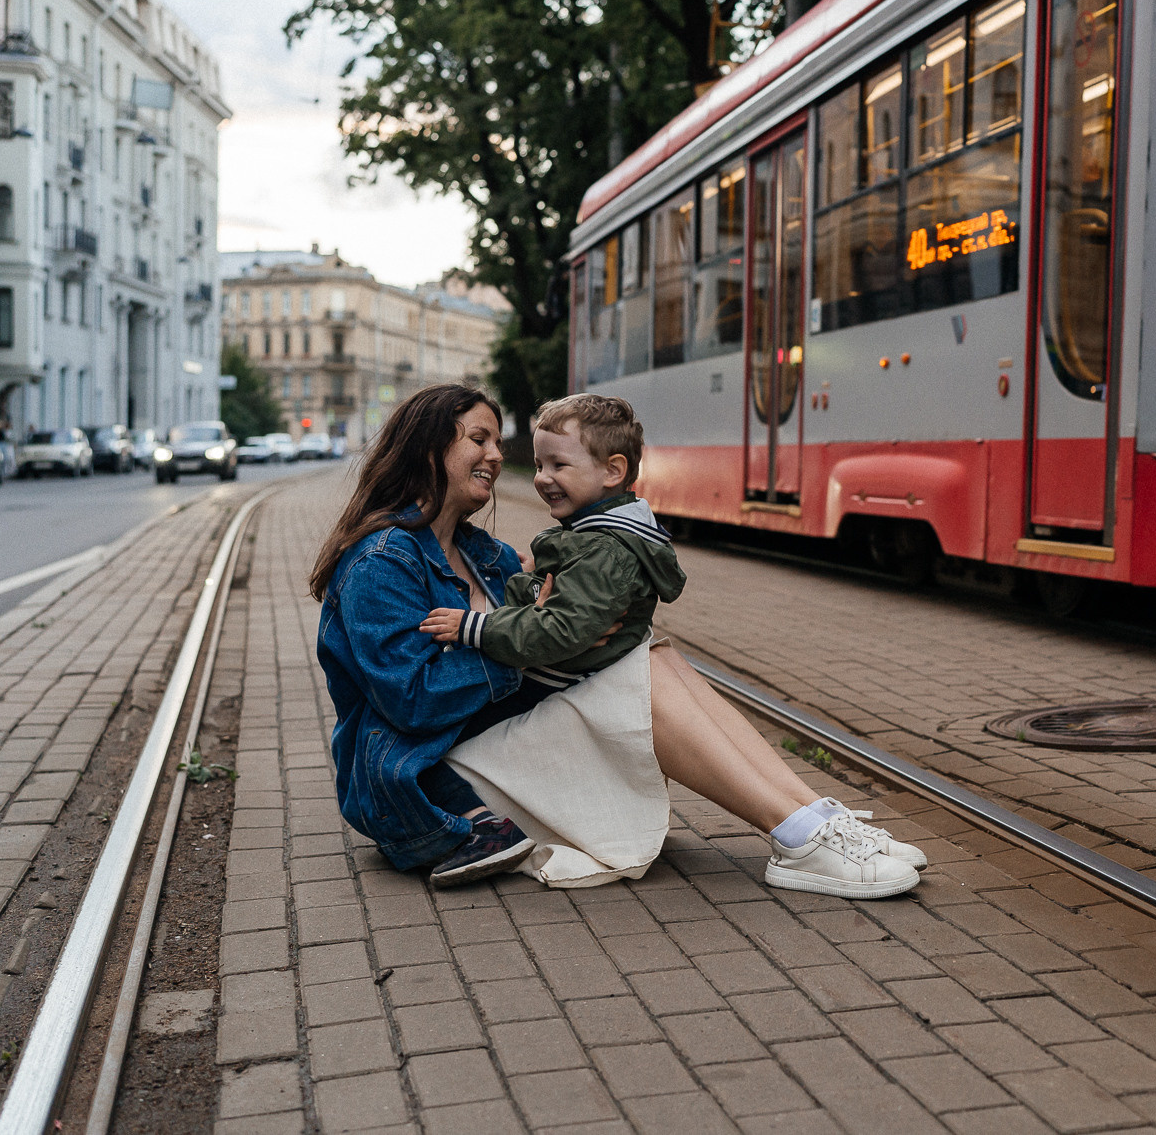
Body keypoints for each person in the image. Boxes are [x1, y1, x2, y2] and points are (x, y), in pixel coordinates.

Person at [309, 383, 922, 899]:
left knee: (655, 654)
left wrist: (546, 633)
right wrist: (529, 649)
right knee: (636, 670)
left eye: (498, 440)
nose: (498, 455)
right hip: (436, 780)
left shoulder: (483, 553)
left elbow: (552, 617)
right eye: (479, 439)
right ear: (427, 447)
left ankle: (811, 817)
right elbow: (411, 701)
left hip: (491, 743)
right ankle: (794, 837)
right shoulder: (380, 562)